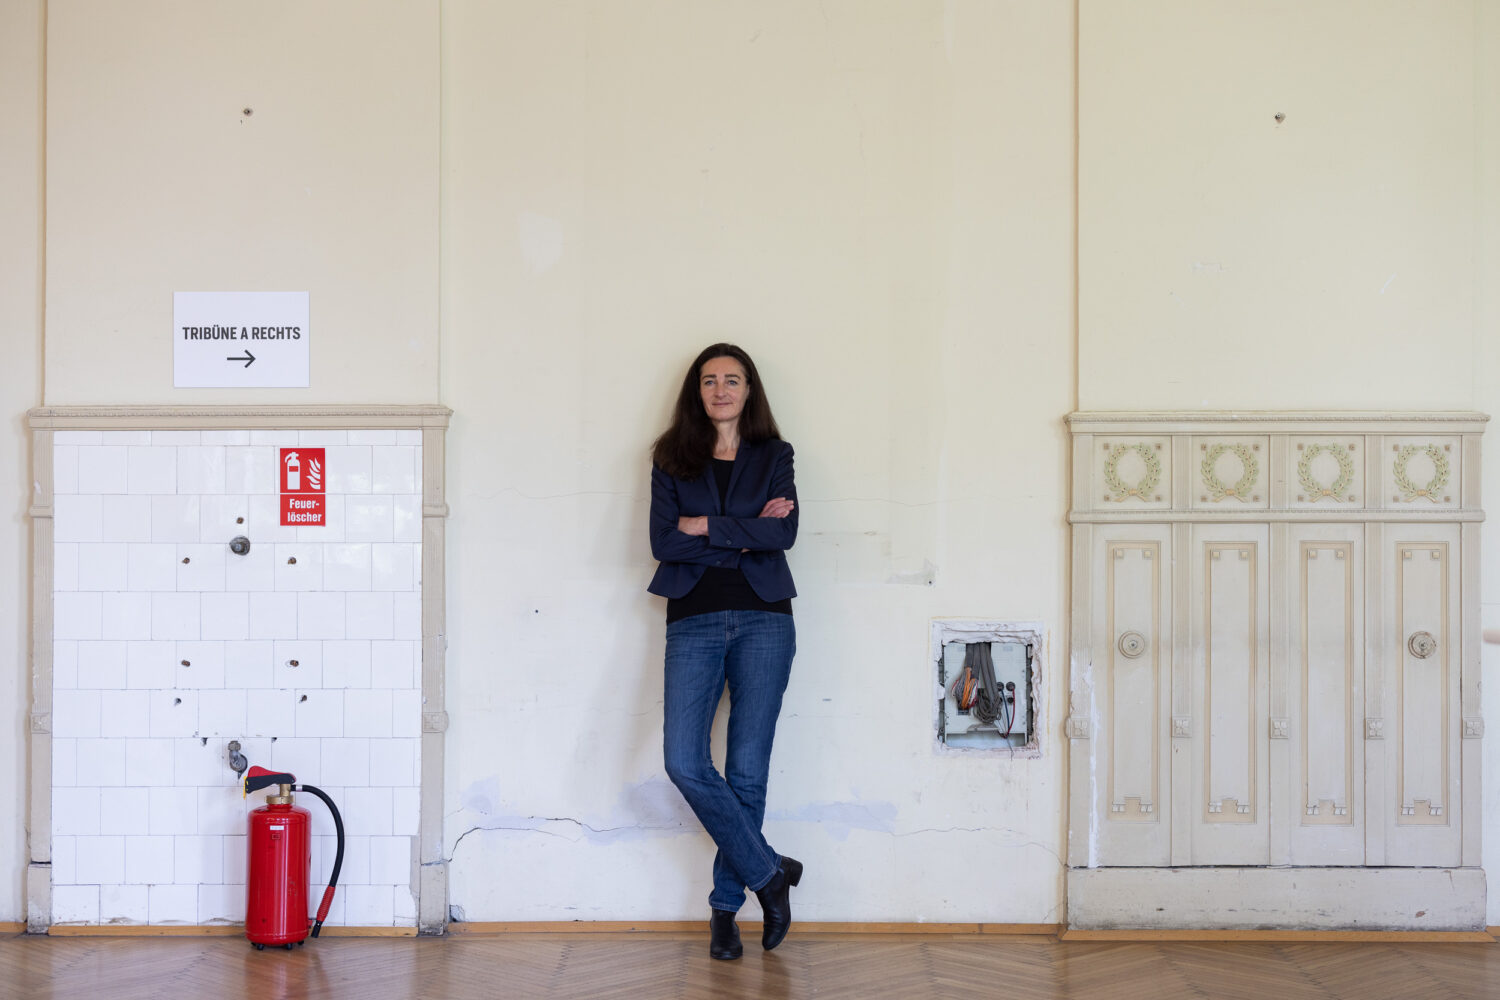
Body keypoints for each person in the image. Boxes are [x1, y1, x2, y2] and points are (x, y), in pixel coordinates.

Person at [648, 343, 803, 961]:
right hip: (693, 617)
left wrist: (706, 526)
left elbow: (783, 533)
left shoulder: (775, 455)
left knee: (746, 771)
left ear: (748, 389)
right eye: (709, 380)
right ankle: (770, 873)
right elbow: (664, 542)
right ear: (697, 390)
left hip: (766, 619)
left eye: (731, 380)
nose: (720, 390)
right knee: (684, 761)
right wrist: (745, 534)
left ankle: (723, 910)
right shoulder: (671, 456)